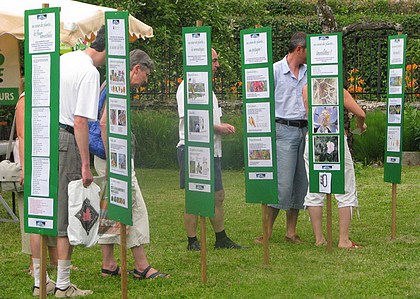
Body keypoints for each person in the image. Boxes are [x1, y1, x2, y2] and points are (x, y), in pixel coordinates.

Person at [92, 49, 169, 279]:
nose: (143, 83)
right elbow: (105, 123)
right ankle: (141, 265)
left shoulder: (108, 83)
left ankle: (108, 264)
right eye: (145, 76)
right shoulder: (118, 87)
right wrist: (114, 158)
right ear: (136, 69)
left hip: (103, 158)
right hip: (115, 159)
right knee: (135, 208)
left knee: (108, 207)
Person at [52, 26, 107, 297]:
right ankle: (63, 283)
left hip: (49, 136)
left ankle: (43, 277)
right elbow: (81, 121)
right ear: (106, 50)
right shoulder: (90, 72)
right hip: (68, 140)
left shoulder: (65, 59)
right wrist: (86, 164)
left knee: (51, 207)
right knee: (69, 208)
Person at [176, 48, 244, 251]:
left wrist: (218, 129)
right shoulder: (187, 87)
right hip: (192, 149)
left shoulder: (208, 88)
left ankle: (221, 239)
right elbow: (190, 120)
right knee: (195, 195)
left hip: (211, 149)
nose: (217, 65)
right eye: (214, 61)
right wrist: (218, 128)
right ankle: (192, 241)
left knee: (218, 195)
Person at [256, 32, 308, 244]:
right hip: (283, 129)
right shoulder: (275, 71)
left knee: (300, 182)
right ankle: (266, 232)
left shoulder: (309, 72)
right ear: (299, 49)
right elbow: (263, 101)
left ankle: (290, 232)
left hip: (304, 129)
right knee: (282, 184)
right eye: (308, 50)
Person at [303, 86, 366, 248]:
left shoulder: (307, 89)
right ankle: (343, 240)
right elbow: (361, 113)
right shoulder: (337, 89)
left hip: (314, 138)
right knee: (345, 187)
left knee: (315, 187)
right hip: (335, 139)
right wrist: (361, 126)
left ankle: (319, 238)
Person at [15, 84, 58, 296]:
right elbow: (22, 136)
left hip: (43, 157)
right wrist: (25, 168)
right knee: (34, 214)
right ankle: (35, 266)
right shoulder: (24, 101)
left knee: (47, 211)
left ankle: (51, 260)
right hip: (32, 161)